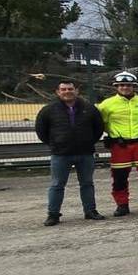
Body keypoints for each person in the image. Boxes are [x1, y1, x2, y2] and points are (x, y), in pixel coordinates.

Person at [35, 79, 104, 225]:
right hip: (60, 154)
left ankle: (90, 211)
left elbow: (98, 128)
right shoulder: (48, 110)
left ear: (76, 91)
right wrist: (55, 143)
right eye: (64, 89)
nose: (67, 92)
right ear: (58, 92)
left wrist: (88, 142)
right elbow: (41, 131)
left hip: (85, 153)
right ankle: (53, 214)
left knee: (87, 183)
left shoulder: (89, 108)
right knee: (57, 185)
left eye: (70, 89)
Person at [97, 71, 138, 216]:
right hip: (120, 145)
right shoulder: (106, 105)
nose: (125, 87)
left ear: (134, 86)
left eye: (128, 85)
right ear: (116, 87)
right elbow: (102, 123)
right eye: (121, 85)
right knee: (119, 177)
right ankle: (122, 205)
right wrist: (115, 134)